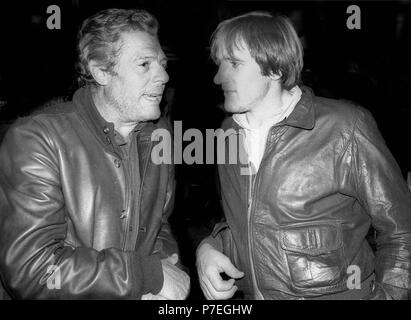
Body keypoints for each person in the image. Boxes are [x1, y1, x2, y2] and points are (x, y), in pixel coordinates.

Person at [196, 11, 411, 300]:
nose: (219, 76)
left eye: (233, 63)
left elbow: (401, 231)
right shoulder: (227, 133)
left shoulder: (345, 127)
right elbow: (250, 218)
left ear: (274, 68)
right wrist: (209, 246)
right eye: (219, 64)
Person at [0, 8, 189, 300]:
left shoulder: (159, 139)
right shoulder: (38, 139)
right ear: (101, 71)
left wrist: (165, 267)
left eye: (162, 64)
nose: (163, 75)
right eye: (144, 64)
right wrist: (144, 276)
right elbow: (33, 271)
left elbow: (159, 228)